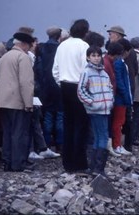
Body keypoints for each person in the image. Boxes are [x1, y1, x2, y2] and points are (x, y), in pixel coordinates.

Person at [52, 19, 90, 173]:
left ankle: (67, 163)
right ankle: (80, 164)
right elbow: (86, 70)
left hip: (64, 85)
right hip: (79, 86)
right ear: (85, 32)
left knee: (68, 125)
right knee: (81, 126)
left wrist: (61, 83)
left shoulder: (62, 45)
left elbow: (55, 69)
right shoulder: (84, 46)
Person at [0, 27, 36, 172]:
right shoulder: (22, 57)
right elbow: (26, 82)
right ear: (24, 44)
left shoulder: (4, 57)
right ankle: (19, 163)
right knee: (19, 133)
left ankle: (7, 162)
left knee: (7, 133)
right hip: (17, 102)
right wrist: (28, 103)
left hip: (2, 101)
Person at [77, 46, 114, 176]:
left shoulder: (104, 73)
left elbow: (110, 88)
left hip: (105, 109)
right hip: (95, 110)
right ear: (88, 57)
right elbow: (81, 90)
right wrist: (91, 102)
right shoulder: (86, 72)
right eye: (93, 55)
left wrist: (110, 101)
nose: (96, 58)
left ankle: (94, 167)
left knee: (98, 137)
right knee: (103, 137)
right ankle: (99, 168)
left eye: (98, 55)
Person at [28, 37, 60, 159]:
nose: (36, 45)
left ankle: (41, 147)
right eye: (34, 42)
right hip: (35, 93)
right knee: (34, 122)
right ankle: (36, 149)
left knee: (39, 121)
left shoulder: (38, 57)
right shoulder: (31, 58)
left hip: (41, 93)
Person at [34, 26, 64, 153]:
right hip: (59, 87)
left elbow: (39, 69)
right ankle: (60, 144)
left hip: (46, 88)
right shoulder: (61, 49)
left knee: (48, 116)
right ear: (59, 36)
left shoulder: (41, 49)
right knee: (60, 116)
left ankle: (46, 144)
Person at [111, 38, 133, 155]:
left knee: (120, 121)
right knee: (118, 122)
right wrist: (126, 96)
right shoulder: (119, 63)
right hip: (120, 98)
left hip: (122, 97)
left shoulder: (120, 63)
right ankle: (117, 145)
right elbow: (120, 81)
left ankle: (118, 144)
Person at [103, 42, 124, 156]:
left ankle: (109, 146)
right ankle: (108, 147)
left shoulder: (109, 62)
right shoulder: (106, 63)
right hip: (107, 98)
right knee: (108, 122)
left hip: (110, 96)